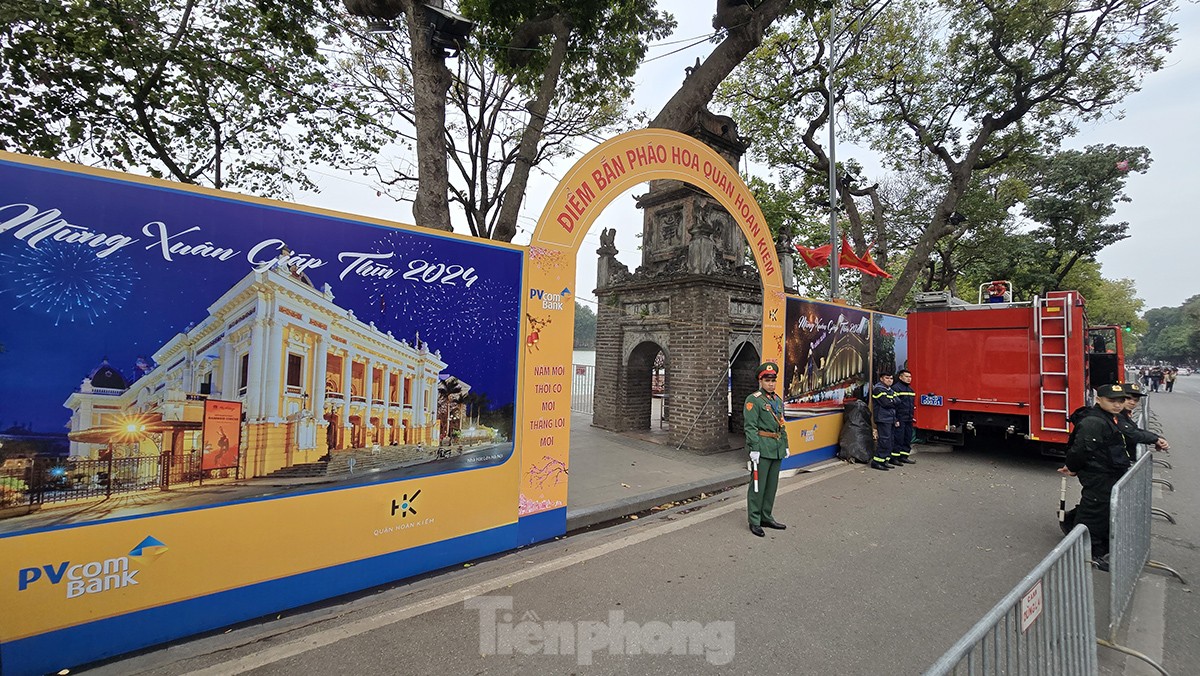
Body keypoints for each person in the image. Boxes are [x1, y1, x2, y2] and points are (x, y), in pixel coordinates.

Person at [1057, 384, 1133, 566]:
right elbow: (1081, 449)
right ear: (1099, 400)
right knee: (1094, 512)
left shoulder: (1109, 418)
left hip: (1106, 472)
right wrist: (1072, 467)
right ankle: (1087, 553)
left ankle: (1073, 525)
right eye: (1112, 400)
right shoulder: (1094, 422)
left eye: (1121, 401)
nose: (1117, 405)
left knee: (1098, 507)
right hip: (1097, 473)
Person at [744, 362, 789, 537]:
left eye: (773, 380)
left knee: (771, 486)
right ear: (760, 380)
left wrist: (785, 445)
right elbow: (750, 426)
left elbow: (781, 425)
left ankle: (766, 516)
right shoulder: (753, 400)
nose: (771, 383)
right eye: (767, 380)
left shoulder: (777, 400)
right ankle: (754, 520)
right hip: (762, 447)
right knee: (758, 486)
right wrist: (753, 448)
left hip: (776, 447)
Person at [1118, 382, 1170, 456]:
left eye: (1136, 400)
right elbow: (1131, 434)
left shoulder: (1123, 413)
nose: (1132, 402)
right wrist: (1155, 439)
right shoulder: (1115, 414)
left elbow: (1134, 429)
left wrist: (1156, 438)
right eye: (1128, 398)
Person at [870, 373, 898, 471]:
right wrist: (892, 401)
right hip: (883, 418)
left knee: (890, 440)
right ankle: (877, 462)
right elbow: (885, 403)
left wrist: (892, 401)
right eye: (887, 378)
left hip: (890, 418)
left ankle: (884, 460)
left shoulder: (889, 390)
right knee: (884, 440)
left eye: (891, 378)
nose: (890, 380)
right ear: (881, 379)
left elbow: (898, 401)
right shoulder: (878, 389)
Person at [891, 369, 917, 464]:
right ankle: (894, 458)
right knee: (898, 438)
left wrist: (912, 416)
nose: (909, 379)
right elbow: (893, 406)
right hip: (900, 418)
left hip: (908, 418)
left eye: (910, 377)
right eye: (906, 376)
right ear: (900, 377)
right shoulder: (896, 389)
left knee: (907, 438)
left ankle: (904, 456)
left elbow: (911, 405)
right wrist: (896, 419)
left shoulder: (911, 390)